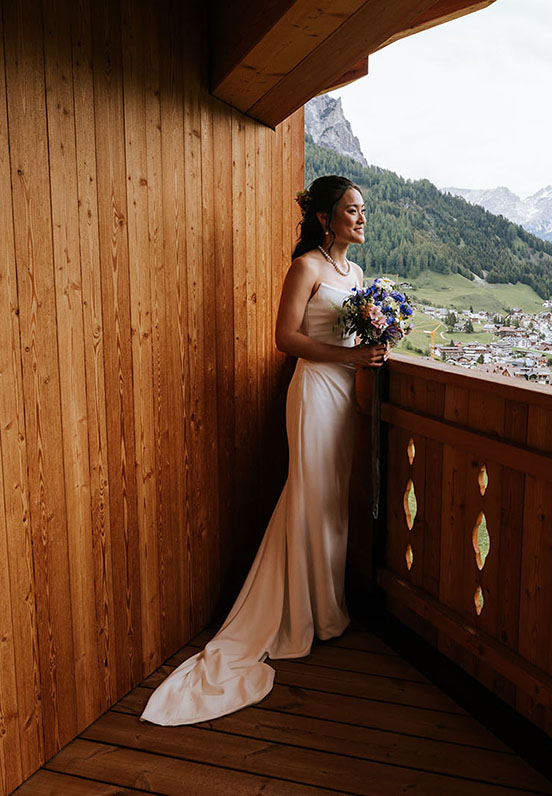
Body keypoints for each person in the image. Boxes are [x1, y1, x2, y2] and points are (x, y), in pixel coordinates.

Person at [141, 175, 387, 725]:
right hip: (317, 391)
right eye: (351, 210)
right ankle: (303, 616)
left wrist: (371, 349)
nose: (361, 218)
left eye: (363, 210)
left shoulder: (359, 274)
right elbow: (286, 338)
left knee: (332, 500)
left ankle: (329, 611)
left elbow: (352, 341)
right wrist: (348, 359)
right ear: (325, 217)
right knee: (311, 493)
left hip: (347, 393)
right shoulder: (306, 267)